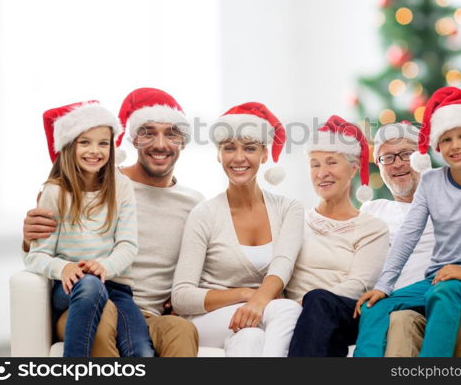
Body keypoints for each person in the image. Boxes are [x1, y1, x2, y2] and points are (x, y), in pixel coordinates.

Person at [22, 88, 203, 357]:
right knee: (103, 312)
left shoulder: (195, 203)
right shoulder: (96, 180)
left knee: (181, 329)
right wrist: (27, 238)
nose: (161, 144)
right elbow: (42, 248)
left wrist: (186, 298)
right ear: (132, 139)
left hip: (144, 312)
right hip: (87, 304)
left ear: (184, 142)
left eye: (172, 134)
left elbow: (207, 265)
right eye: (148, 132)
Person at [353, 86, 461, 357]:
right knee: (378, 306)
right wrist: (384, 285)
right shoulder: (431, 183)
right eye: (446, 139)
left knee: (444, 292)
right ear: (437, 148)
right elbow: (409, 234)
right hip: (438, 279)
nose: (455, 145)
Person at [172, 102, 304, 357]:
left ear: (265, 154)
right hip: (207, 319)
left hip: (261, 314)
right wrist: (248, 296)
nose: (239, 157)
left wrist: (256, 303)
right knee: (285, 310)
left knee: (251, 336)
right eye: (229, 148)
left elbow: (282, 265)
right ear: (218, 154)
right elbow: (181, 296)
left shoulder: (289, 209)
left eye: (250, 148)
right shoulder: (204, 214)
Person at [24, 101, 154, 357]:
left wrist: (104, 266)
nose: (95, 151)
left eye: (103, 143)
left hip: (116, 286)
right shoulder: (55, 192)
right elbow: (36, 256)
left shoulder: (121, 187)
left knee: (141, 351)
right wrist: (65, 268)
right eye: (85, 142)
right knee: (90, 284)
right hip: (72, 288)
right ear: (69, 146)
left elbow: (127, 245)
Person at [286, 115, 389, 356]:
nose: (322, 173)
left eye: (332, 162)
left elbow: (358, 285)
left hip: (347, 313)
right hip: (294, 312)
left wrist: (307, 303)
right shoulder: (294, 219)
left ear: (353, 168)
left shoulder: (372, 228)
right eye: (315, 164)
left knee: (319, 301)